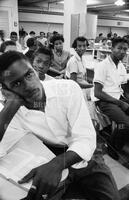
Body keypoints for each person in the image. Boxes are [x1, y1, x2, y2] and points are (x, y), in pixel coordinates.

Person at [0, 51, 120, 200]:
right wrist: (11, 106)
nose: (28, 86)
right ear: (6, 91)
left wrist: (57, 164)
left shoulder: (67, 89)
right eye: (16, 83)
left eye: (29, 74)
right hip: (49, 155)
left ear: (34, 70)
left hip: (85, 158)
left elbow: (85, 139)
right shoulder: (14, 112)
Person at [94, 37, 129, 152]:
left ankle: (120, 139)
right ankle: (111, 147)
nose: (122, 51)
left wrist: (125, 101)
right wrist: (121, 103)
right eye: (119, 48)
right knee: (125, 124)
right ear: (112, 48)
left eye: (125, 49)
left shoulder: (121, 66)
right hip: (105, 101)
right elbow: (97, 93)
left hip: (118, 98)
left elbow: (123, 88)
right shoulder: (102, 66)